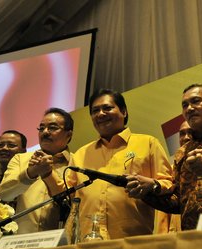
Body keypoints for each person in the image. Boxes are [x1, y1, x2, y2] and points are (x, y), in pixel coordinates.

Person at [129, 84, 202, 231]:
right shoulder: (182, 152)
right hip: (192, 236)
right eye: (185, 105)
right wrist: (147, 191)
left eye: (196, 101)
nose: (189, 108)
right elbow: (178, 202)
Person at [64, 89, 173, 239]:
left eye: (107, 108)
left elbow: (169, 183)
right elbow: (66, 196)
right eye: (95, 111)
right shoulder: (80, 154)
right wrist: (47, 174)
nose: (101, 114)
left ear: (124, 111)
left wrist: (152, 185)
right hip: (88, 243)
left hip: (133, 242)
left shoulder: (148, 143)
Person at [0, 108, 73, 233]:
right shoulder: (21, 159)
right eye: (41, 128)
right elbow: (5, 194)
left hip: (59, 244)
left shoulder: (76, 162)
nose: (45, 132)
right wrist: (31, 173)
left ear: (68, 135)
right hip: (22, 243)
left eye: (52, 128)